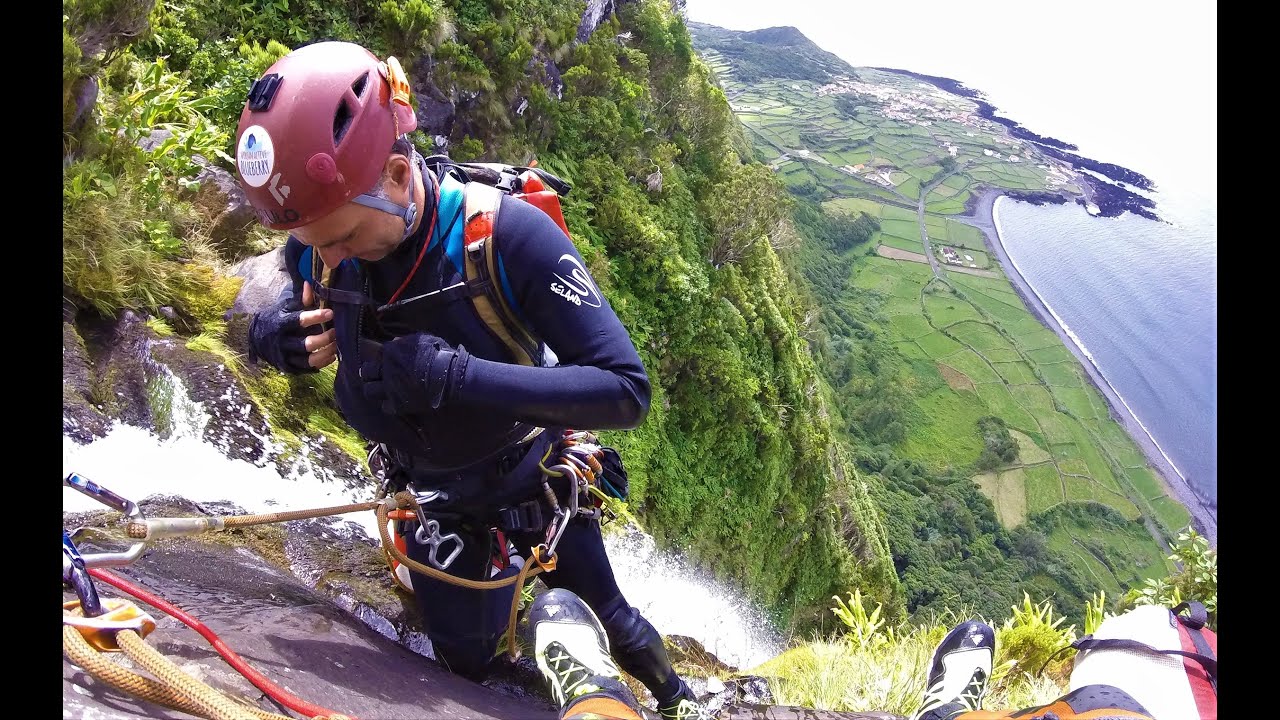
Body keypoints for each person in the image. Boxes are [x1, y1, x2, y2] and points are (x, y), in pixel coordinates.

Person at [233, 40, 709, 720]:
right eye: (312, 242)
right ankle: (556, 657)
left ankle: (678, 702)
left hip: (529, 479)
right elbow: (291, 279)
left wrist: (458, 377)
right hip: (428, 498)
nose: (326, 257)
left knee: (616, 621)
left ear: (397, 176)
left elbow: (624, 389)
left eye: (338, 237)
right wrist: (267, 333)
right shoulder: (321, 234)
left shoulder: (507, 239)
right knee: (465, 662)